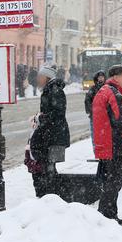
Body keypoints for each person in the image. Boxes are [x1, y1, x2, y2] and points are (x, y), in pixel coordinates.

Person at [92, 65, 122, 225]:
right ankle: (107, 215)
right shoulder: (113, 94)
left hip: (106, 143)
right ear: (117, 77)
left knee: (110, 181)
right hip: (114, 144)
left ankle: (109, 214)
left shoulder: (104, 91)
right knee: (114, 181)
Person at [29, 65, 71, 197]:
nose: (38, 79)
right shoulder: (49, 90)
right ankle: (51, 195)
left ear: (46, 77)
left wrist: (41, 117)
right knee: (48, 167)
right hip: (52, 135)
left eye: (40, 77)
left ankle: (52, 196)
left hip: (54, 137)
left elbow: (58, 114)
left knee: (49, 168)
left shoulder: (55, 90)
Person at [84, 70, 107, 146]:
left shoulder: (107, 88)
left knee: (105, 136)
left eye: (102, 77)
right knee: (95, 136)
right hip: (94, 117)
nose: (100, 79)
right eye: (99, 77)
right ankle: (97, 153)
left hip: (105, 117)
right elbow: (87, 101)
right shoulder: (93, 89)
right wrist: (92, 111)